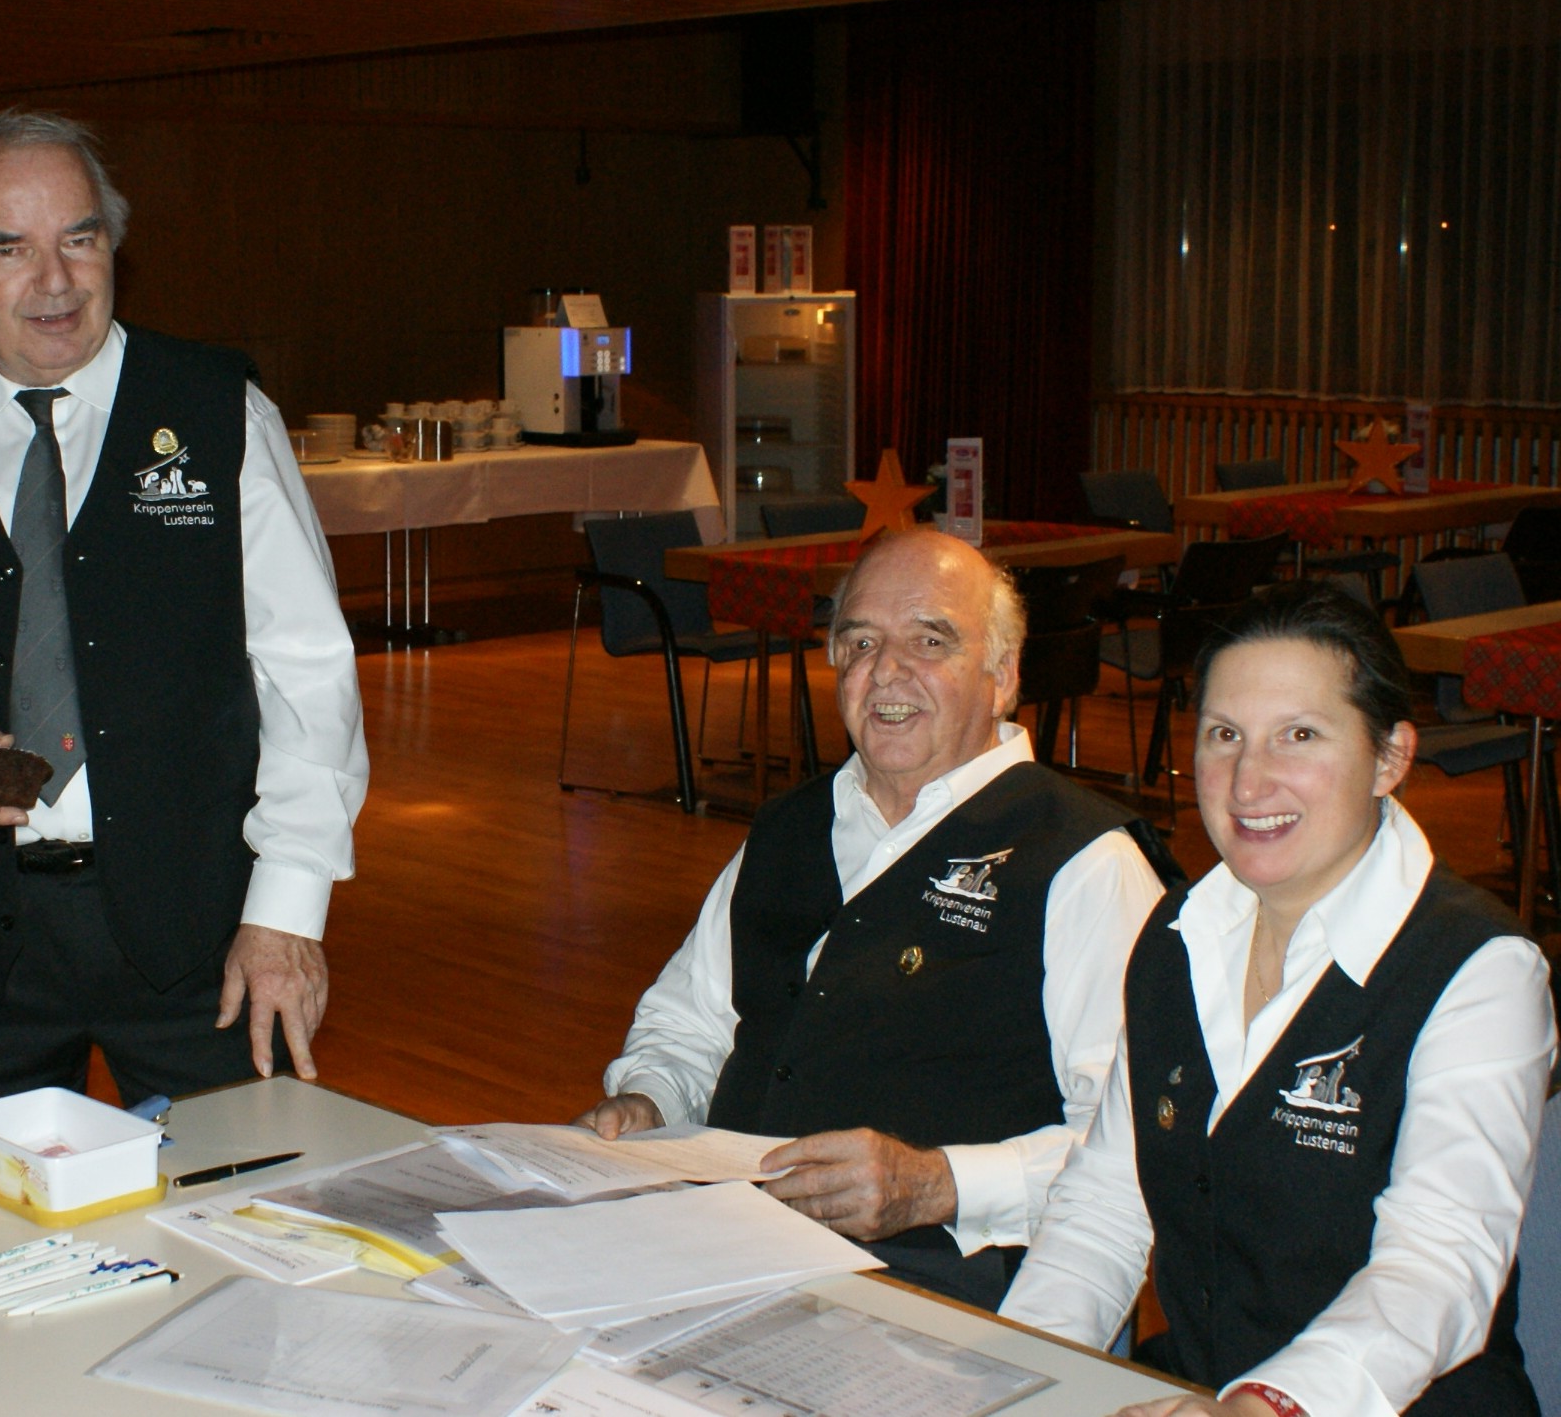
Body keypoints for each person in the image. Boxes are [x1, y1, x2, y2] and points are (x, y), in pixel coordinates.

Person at [0, 109, 366, 1157]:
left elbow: (307, 673)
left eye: (80, 237)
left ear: (113, 245)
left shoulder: (214, 410)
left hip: (202, 939)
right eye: (6, 247)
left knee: (242, 1209)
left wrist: (286, 911)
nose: (54, 280)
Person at [577, 528, 1172, 1308]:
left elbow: (1136, 1149)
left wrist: (936, 1183)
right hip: (720, 1245)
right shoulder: (786, 828)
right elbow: (688, 1025)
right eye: (860, 642)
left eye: (930, 640)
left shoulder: (1083, 862)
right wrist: (650, 1098)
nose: (887, 669)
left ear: (1001, 676)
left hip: (938, 1288)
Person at [1001, 582, 1555, 1417]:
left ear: (1391, 757)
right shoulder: (1175, 936)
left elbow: (1438, 1265)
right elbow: (1105, 1209)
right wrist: (1013, 1378)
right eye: (1225, 734)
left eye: (1299, 734)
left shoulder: (1480, 969)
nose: (1248, 780)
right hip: (1199, 1391)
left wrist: (1266, 1404)